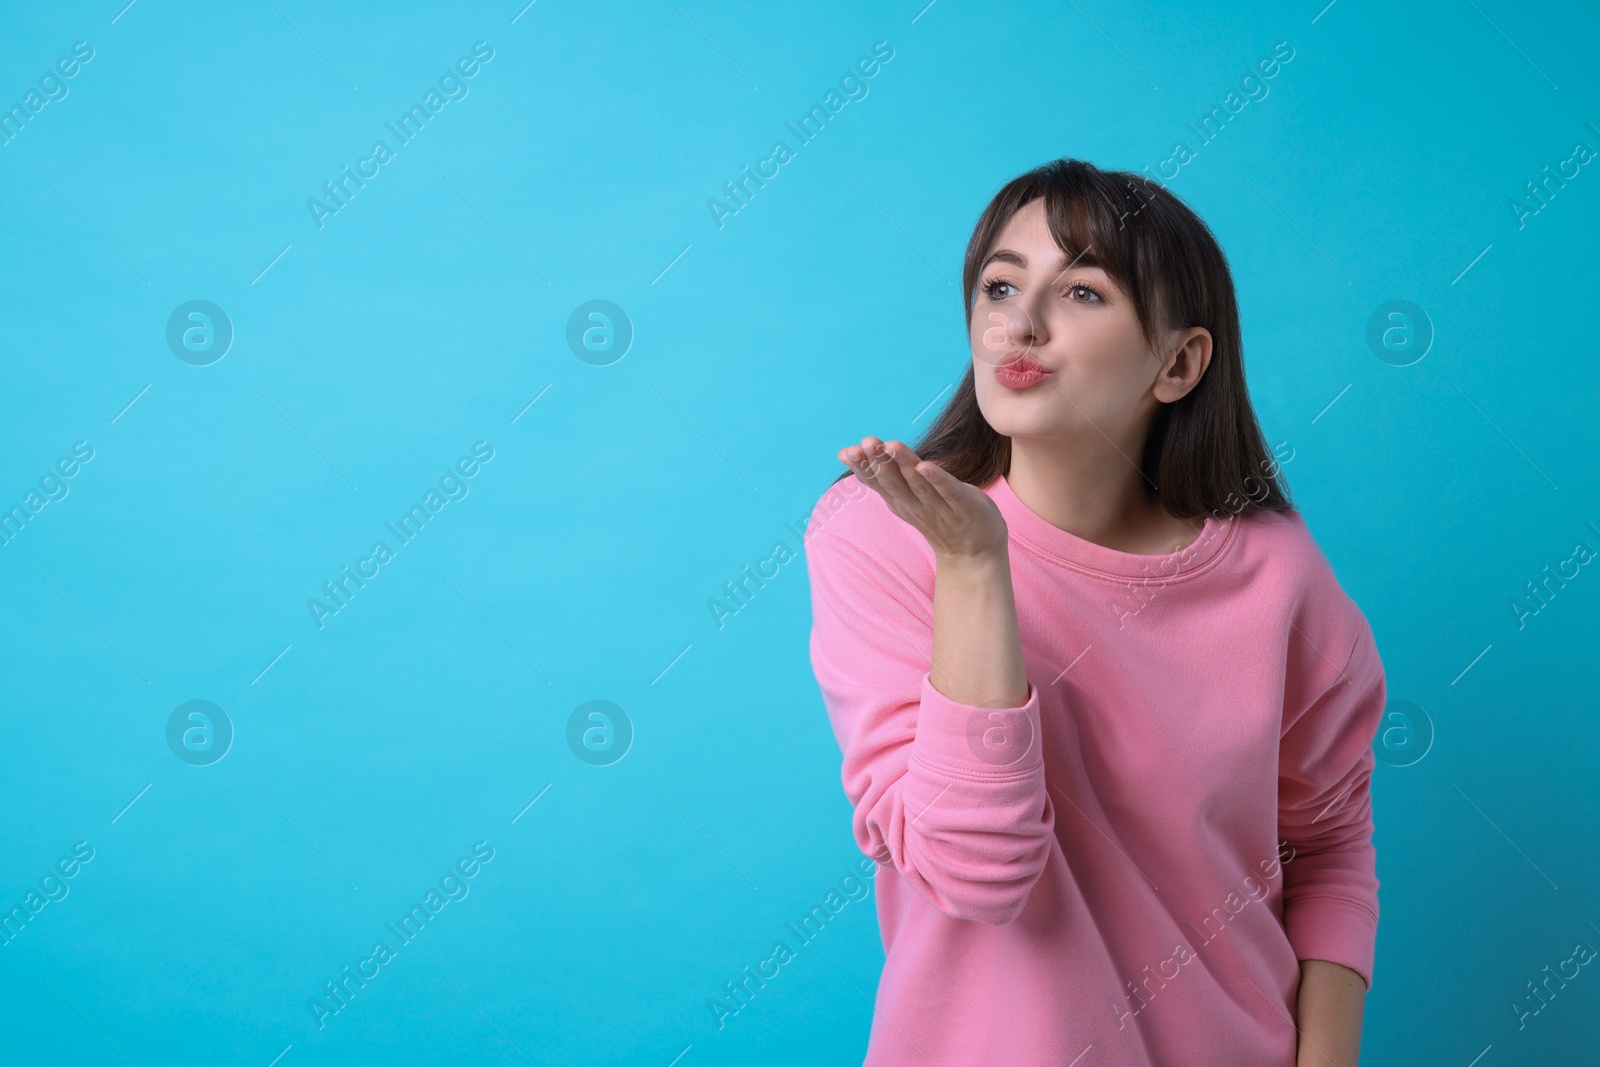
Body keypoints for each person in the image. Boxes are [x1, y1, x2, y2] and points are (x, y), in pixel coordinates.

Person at [804, 158, 1383, 1066]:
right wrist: (973, 567)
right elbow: (974, 873)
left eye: (1082, 291)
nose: (1019, 324)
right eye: (1001, 284)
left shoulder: (1280, 579)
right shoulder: (883, 538)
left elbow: (1329, 849)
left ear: (1180, 362)